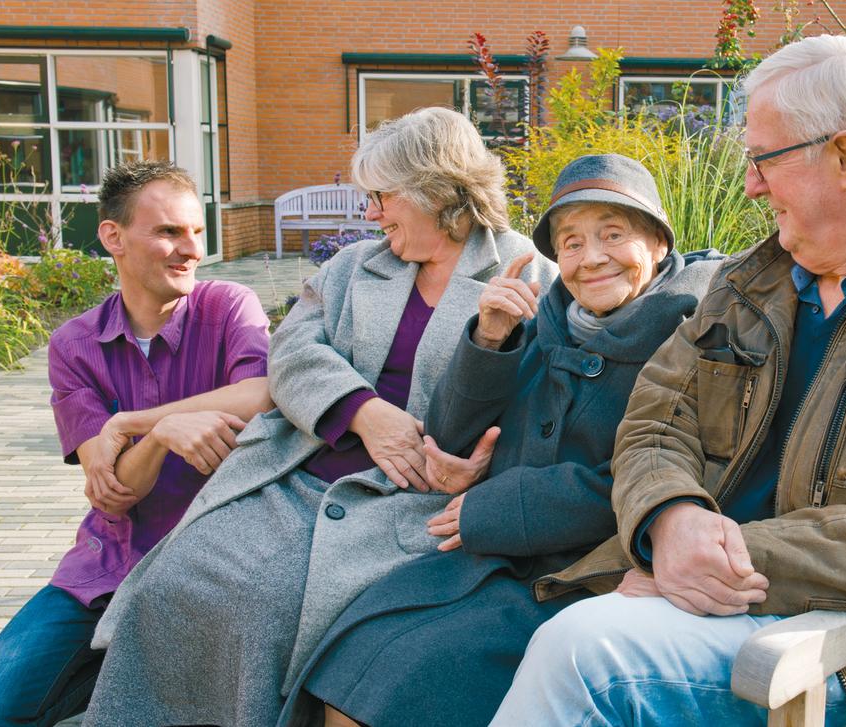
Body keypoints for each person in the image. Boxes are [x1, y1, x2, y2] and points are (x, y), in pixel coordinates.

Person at [493, 35, 846, 727]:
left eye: (764, 159)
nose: (750, 186)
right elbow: (654, 420)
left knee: (580, 653)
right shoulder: (746, 284)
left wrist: (718, 555)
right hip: (690, 596)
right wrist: (670, 516)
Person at [82, 107, 556, 727]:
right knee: (178, 581)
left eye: (382, 196)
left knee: (265, 603)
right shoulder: (355, 266)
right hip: (296, 469)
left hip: (415, 499)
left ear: (437, 191)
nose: (371, 214)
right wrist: (363, 412)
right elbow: (293, 355)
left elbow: (544, 397)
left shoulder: (526, 272)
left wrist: (487, 463)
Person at [272, 153, 724, 727]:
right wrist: (489, 338)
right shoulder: (549, 316)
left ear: (659, 244)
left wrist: (494, 506)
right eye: (573, 242)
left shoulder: (689, 338)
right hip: (493, 561)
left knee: (407, 678)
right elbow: (450, 435)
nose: (592, 259)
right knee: (347, 662)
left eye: (613, 235)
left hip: (589, 573)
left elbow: (654, 477)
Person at [0, 160, 272, 727]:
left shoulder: (227, 306)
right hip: (108, 568)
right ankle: (100, 669)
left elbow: (262, 392)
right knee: (0, 706)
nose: (189, 249)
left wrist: (137, 422)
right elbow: (115, 490)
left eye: (196, 231)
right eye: (168, 231)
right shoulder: (75, 344)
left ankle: (111, 671)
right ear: (113, 237)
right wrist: (164, 434)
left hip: (217, 568)